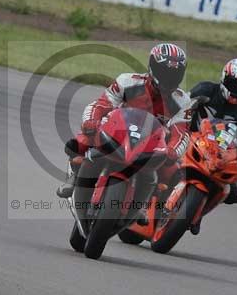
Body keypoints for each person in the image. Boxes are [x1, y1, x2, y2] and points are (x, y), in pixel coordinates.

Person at [56, 43, 190, 209]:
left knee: (173, 172)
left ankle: (154, 206)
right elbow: (102, 104)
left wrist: (173, 150)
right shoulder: (127, 81)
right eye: (164, 72)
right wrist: (91, 121)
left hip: (153, 143)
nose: (168, 79)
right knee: (79, 143)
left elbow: (181, 131)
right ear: (152, 67)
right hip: (118, 132)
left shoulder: (182, 101)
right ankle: (75, 177)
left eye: (174, 74)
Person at [188, 58, 237, 218]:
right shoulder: (205, 90)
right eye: (234, 85)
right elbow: (184, 108)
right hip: (191, 140)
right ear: (224, 78)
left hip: (220, 156)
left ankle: (196, 217)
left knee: (231, 193)